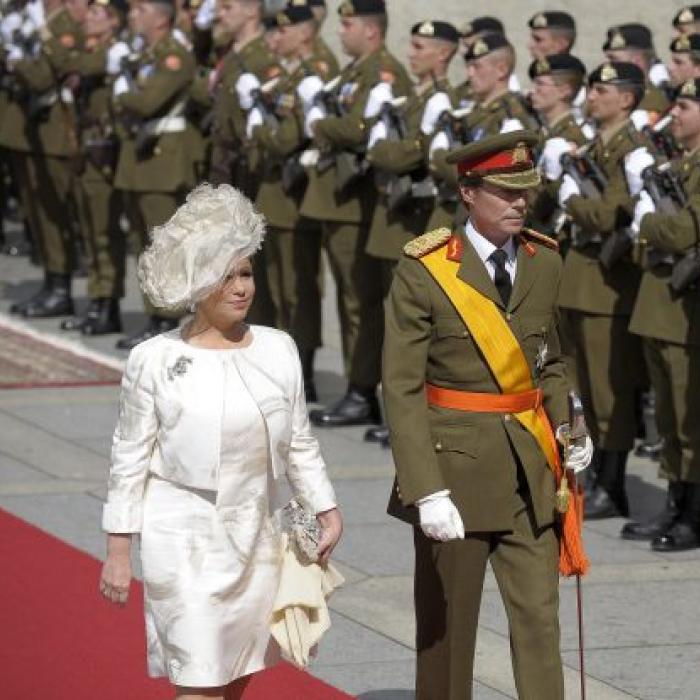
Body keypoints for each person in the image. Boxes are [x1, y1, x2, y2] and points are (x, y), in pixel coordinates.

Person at [99, 183, 343, 700]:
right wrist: (118, 548)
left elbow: (299, 438)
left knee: (234, 674)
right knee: (197, 676)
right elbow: (129, 456)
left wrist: (326, 507)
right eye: (225, 276)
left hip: (255, 531)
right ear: (196, 282)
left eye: (246, 274)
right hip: (182, 535)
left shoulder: (279, 349)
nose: (240, 288)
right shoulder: (155, 359)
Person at [383, 130, 592, 700]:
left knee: (539, 625)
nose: (520, 203)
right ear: (468, 192)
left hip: (530, 471)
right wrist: (425, 490)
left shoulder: (544, 262)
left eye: (525, 192)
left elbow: (550, 359)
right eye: (504, 192)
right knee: (448, 635)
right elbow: (401, 389)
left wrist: (572, 426)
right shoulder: (426, 269)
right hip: (455, 476)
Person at [299, 0, 411, 428]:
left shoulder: (384, 73)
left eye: (347, 25)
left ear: (370, 30)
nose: (340, 31)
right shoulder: (353, 73)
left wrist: (320, 123)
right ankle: (358, 386)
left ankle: (363, 389)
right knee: (352, 299)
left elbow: (361, 129)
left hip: (357, 203)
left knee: (360, 302)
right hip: (338, 200)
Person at [557, 62, 650, 519]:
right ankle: (590, 472)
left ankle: (612, 484)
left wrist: (571, 201)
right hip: (579, 281)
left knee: (609, 391)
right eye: (591, 89)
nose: (591, 97)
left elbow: (610, 213)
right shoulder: (595, 146)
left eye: (601, 90)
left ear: (626, 99)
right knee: (582, 392)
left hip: (608, 289)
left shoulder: (633, 149)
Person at [622, 78, 700, 551]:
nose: (677, 115)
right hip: (659, 305)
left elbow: (684, 229)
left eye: (687, 107)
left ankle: (693, 512)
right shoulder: (676, 165)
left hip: (685, 313)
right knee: (670, 418)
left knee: (690, 420)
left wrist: (648, 222)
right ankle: (675, 500)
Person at [111, 0, 205, 350]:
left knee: (161, 244)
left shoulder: (173, 56)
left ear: (161, 18)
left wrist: (121, 90)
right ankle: (154, 314)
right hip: (140, 158)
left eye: (140, 10)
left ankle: (167, 317)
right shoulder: (147, 55)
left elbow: (147, 101)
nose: (132, 16)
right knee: (142, 243)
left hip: (162, 162)